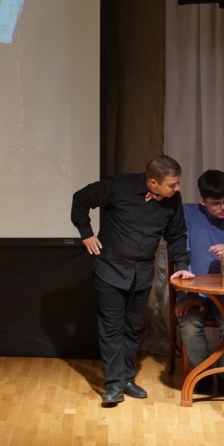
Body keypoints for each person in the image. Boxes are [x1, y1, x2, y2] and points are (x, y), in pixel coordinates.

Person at [71, 155, 193, 405]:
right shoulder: (118, 186)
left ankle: (127, 378)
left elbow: (176, 234)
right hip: (110, 271)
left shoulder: (173, 199)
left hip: (142, 274)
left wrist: (182, 265)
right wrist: (86, 234)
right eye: (173, 184)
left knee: (133, 328)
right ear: (153, 182)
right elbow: (81, 198)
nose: (178, 188)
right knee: (112, 328)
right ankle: (113, 384)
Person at [175, 170, 224, 379]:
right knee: (189, 323)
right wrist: (190, 294)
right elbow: (180, 254)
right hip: (193, 288)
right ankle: (202, 376)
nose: (223, 207)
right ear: (202, 201)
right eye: (216, 203)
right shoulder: (188, 213)